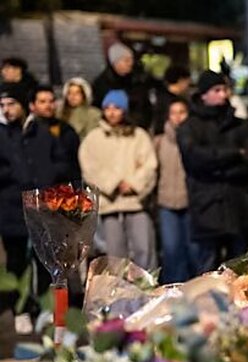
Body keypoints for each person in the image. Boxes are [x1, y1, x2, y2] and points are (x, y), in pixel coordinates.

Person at [176, 71, 248, 272]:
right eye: (217, 90)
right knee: (208, 275)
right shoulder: (189, 127)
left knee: (243, 273)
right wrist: (235, 153)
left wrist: (217, 166)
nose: (223, 94)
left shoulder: (240, 125)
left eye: (225, 89)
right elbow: (195, 159)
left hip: (240, 207)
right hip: (207, 209)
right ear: (203, 94)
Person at [0, 83, 71, 332]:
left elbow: (61, 162)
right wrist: (14, 175)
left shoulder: (41, 133)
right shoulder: (2, 133)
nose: (7, 110)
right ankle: (20, 309)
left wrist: (47, 174)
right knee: (17, 262)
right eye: (2, 105)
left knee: (43, 261)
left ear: (23, 105)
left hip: (41, 207)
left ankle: (43, 307)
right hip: (11, 208)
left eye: (11, 104)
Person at [78, 90, 158, 271]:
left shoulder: (139, 136)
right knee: (114, 255)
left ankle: (146, 290)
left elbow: (149, 165)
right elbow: (90, 168)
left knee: (143, 250)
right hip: (110, 205)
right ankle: (118, 293)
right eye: (107, 108)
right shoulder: (93, 139)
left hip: (135, 203)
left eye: (116, 108)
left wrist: (134, 184)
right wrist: (113, 184)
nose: (112, 112)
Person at [154, 98, 196, 283]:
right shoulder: (159, 142)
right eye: (174, 113)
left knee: (193, 250)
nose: (178, 117)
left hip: (191, 201)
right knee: (171, 250)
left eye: (182, 112)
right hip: (167, 203)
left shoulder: (195, 139)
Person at [91, 42, 159, 131]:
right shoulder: (101, 83)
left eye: (131, 60)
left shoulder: (139, 80)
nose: (130, 63)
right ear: (115, 62)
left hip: (137, 128)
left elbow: (145, 107)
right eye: (126, 60)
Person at [29, 86, 80, 181]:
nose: (48, 106)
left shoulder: (66, 130)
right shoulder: (28, 132)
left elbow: (74, 162)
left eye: (51, 101)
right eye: (42, 102)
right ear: (32, 106)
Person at [151, 65, 191, 135]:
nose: (188, 85)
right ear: (181, 80)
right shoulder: (175, 101)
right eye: (187, 81)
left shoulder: (159, 97)